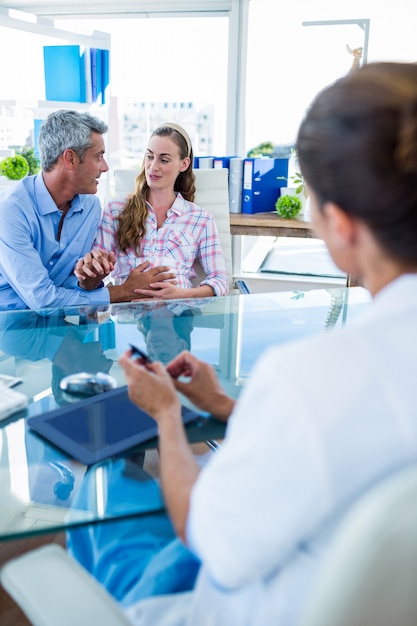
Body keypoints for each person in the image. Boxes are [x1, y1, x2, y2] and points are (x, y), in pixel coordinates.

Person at [70, 61, 417, 625]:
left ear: (344, 226)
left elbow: (203, 530)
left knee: (105, 473)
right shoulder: (327, 382)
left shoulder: (309, 375)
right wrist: (229, 407)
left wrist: (166, 416)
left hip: (238, 602)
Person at [0, 110, 175, 311]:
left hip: (59, 325)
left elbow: (72, 284)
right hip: (9, 327)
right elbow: (43, 299)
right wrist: (123, 291)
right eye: (99, 156)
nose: (105, 167)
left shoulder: (90, 208)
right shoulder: (10, 211)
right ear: (71, 159)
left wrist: (91, 277)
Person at [74, 122, 229, 300]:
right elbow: (94, 273)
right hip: (127, 314)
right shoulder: (116, 210)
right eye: (149, 157)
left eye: (164, 160)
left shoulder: (201, 219)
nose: (153, 167)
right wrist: (92, 269)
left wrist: (183, 294)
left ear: (184, 164)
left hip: (178, 315)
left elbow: (220, 280)